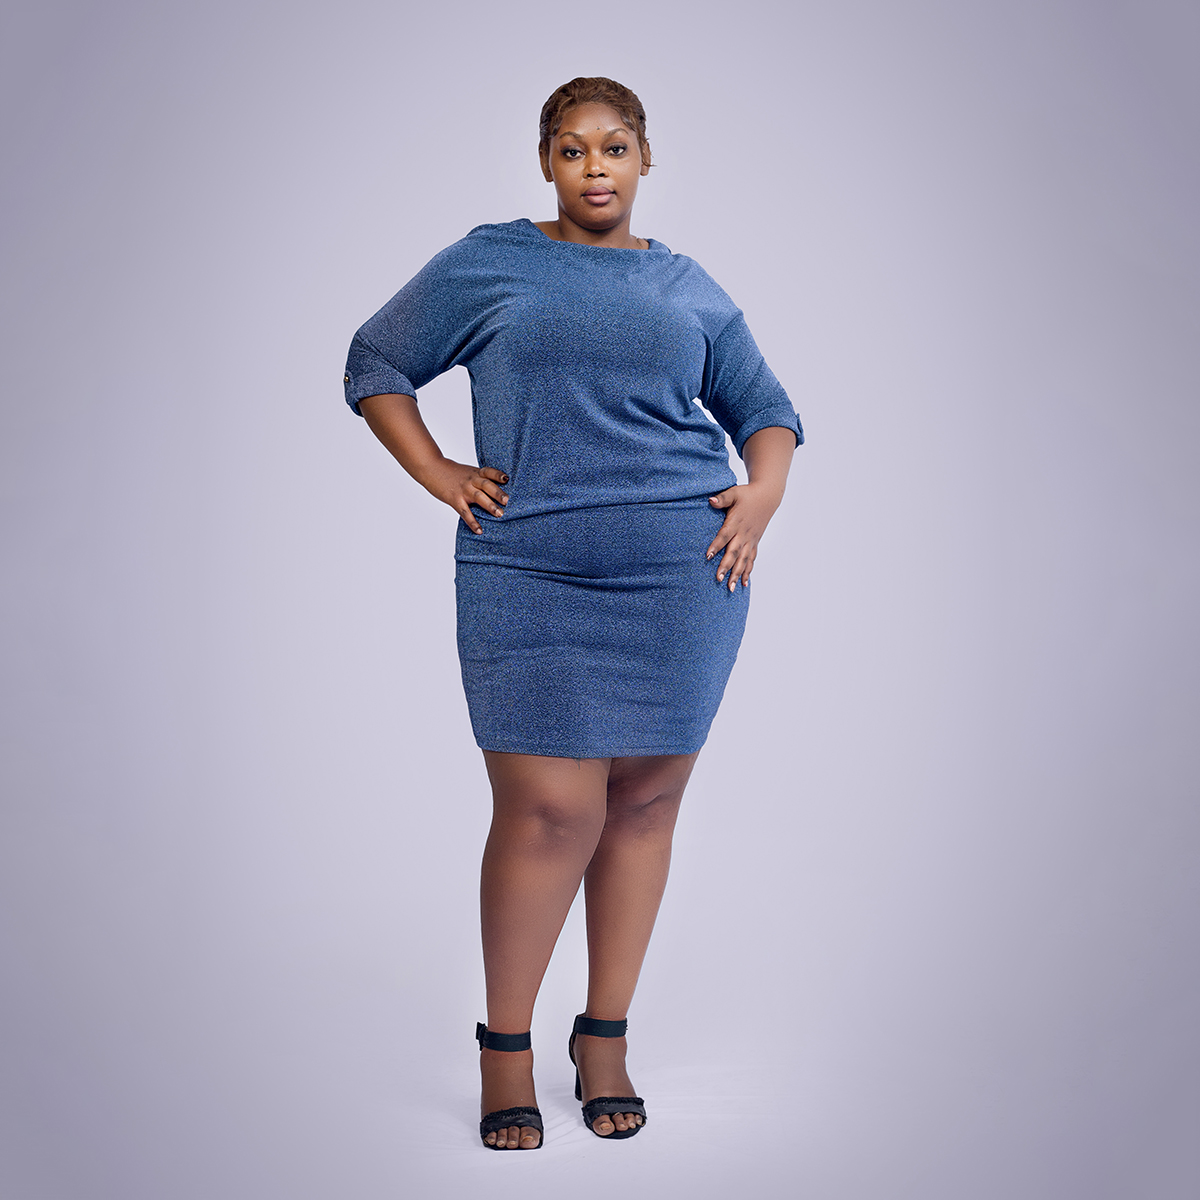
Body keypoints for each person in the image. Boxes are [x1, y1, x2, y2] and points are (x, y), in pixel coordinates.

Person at [342, 76, 803, 1151]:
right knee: (550, 812)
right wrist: (440, 473)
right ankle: (505, 1048)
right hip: (530, 571)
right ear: (547, 163)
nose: (596, 166)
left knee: (643, 806)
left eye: (615, 146)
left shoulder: (686, 284)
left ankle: (604, 1038)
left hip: (683, 574)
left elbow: (767, 409)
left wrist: (765, 493)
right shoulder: (492, 261)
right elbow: (377, 361)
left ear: (644, 160)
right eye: (573, 149)